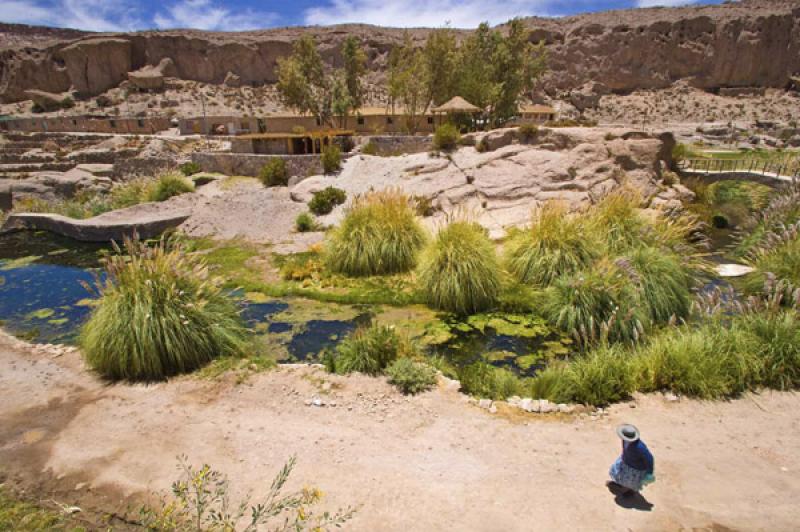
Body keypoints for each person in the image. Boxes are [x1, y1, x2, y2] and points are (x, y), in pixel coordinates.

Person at [608, 424, 655, 496]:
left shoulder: (639, 447)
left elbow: (649, 459)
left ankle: (628, 490)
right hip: (625, 461)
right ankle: (621, 484)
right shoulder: (625, 440)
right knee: (617, 472)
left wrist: (649, 472)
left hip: (635, 468)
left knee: (630, 481)